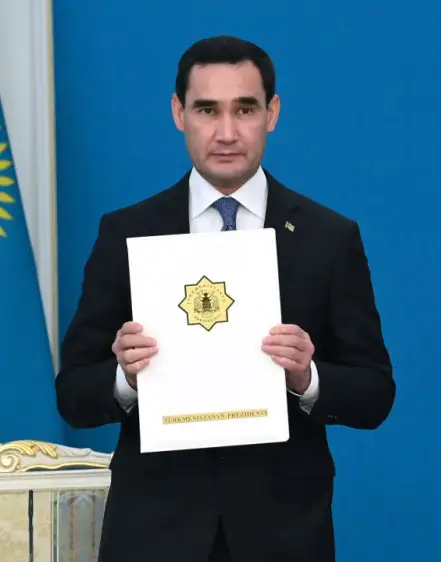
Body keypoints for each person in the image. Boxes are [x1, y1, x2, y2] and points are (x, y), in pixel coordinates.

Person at [55, 35, 395, 562]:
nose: (227, 132)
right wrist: (126, 376)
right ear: (179, 113)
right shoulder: (126, 232)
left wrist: (307, 378)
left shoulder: (329, 238)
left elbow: (375, 394)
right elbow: (73, 395)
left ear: (272, 113)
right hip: (153, 534)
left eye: (245, 109)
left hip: (284, 535)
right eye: (207, 110)